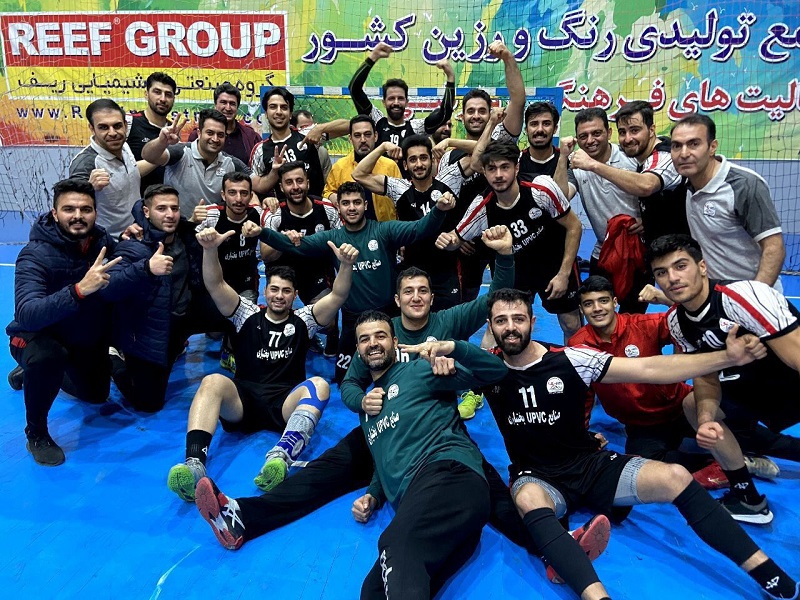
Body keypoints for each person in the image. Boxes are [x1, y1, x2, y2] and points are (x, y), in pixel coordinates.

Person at [480, 287, 798, 600]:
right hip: (537, 476)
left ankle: (764, 569)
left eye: (518, 318)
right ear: (490, 326)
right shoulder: (485, 368)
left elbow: (648, 368)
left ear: (533, 321)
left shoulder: (571, 358)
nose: (510, 327)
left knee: (675, 476)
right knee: (527, 500)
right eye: (501, 321)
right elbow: (451, 357)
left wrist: (726, 357)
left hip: (590, 465)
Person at [167, 227, 358, 501]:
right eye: (274, 289)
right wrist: (209, 250)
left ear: (295, 295)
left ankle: (281, 457)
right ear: (265, 291)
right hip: (243, 403)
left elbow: (337, 295)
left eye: (286, 291)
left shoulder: (304, 320)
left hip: (284, 404)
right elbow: (215, 284)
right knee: (211, 381)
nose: (279, 295)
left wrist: (346, 265)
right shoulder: (245, 314)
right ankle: (194, 464)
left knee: (320, 385)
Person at [341, 312, 509, 598]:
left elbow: (495, 371)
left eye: (380, 336)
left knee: (394, 544)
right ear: (358, 350)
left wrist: (453, 349)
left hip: (448, 477)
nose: (373, 343)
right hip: (427, 511)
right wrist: (373, 494)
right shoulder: (368, 408)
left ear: (395, 342)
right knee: (373, 591)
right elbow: (385, 456)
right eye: (364, 339)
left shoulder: (419, 371)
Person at [569, 275, 781, 490]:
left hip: (680, 405)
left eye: (603, 301)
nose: (597, 308)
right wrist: (583, 435)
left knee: (755, 436)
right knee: (643, 465)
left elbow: (688, 318)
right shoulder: (578, 345)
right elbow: (581, 393)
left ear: (615, 302)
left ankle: (764, 450)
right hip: (642, 424)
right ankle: (737, 464)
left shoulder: (644, 325)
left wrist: (664, 298)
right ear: (581, 308)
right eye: (589, 304)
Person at [649, 234, 800, 523]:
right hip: (749, 390)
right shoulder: (677, 322)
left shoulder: (741, 297)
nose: (672, 278)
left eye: (680, 266)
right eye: (661, 272)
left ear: (702, 267)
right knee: (694, 405)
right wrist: (706, 421)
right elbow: (705, 378)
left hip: (791, 385)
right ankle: (747, 498)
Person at [245, 180, 457, 382]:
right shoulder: (332, 238)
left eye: (357, 202)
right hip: (352, 319)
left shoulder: (383, 231)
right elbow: (294, 245)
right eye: (346, 203)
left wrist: (438, 210)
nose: (352, 208)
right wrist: (262, 233)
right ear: (339, 208)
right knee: (345, 379)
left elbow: (419, 228)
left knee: (399, 375)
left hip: (388, 315)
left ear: (365, 205)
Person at [7, 178, 119, 466]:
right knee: (47, 358)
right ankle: (37, 433)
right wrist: (79, 290)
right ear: (55, 214)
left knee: (96, 395)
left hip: (79, 335)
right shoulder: (34, 254)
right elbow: (27, 313)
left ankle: (36, 374)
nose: (78, 216)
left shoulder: (101, 242)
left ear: (95, 213)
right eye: (69, 209)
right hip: (34, 336)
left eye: (86, 209)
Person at [437, 135, 583, 342]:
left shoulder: (541, 188)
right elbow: (456, 238)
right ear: (484, 172)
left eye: (505, 167)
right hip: (515, 272)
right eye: (492, 169)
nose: (498, 175)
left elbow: (574, 226)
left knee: (571, 324)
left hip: (554, 264)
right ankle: (495, 362)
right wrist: (447, 240)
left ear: (516, 168)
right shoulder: (481, 207)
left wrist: (563, 274)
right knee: (502, 329)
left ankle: (576, 361)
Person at [101, 185, 229, 412]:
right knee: (148, 404)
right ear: (146, 212)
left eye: (174, 208)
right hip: (151, 330)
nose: (170, 214)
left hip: (185, 315)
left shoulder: (187, 234)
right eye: (161, 209)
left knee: (237, 314)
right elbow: (108, 289)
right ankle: (113, 358)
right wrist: (146, 268)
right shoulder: (134, 244)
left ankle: (239, 365)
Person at [434, 42, 525, 303]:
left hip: (506, 235)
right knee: (467, 300)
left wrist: (507, 57)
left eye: (482, 111)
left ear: (491, 114)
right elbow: (443, 199)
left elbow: (518, 100)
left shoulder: (503, 138)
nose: (476, 116)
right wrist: (457, 234)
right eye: (471, 111)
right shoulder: (449, 157)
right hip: (469, 243)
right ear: (461, 117)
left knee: (510, 300)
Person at [670, 114, 785, 290]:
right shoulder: (685, 181)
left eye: (694, 144)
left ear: (712, 147)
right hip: (715, 294)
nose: (684, 153)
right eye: (677, 146)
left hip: (752, 294)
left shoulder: (745, 185)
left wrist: (755, 296)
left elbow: (774, 247)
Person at [353, 134, 465, 310]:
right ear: (405, 165)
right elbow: (358, 174)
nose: (419, 164)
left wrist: (450, 142)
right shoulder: (399, 188)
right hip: (412, 274)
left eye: (423, 158)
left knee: (448, 323)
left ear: (432, 160)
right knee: (411, 323)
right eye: (413, 160)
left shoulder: (449, 179)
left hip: (445, 272)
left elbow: (483, 153)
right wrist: (383, 147)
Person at [556, 108, 646, 313]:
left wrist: (649, 220)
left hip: (637, 253)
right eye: (583, 136)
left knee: (632, 316)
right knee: (597, 311)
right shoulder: (576, 165)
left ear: (609, 132)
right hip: (603, 251)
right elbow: (561, 197)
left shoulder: (631, 158)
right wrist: (562, 157)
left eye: (596, 133)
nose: (590, 141)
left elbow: (652, 188)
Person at [260, 161, 341, 357]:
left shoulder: (327, 209)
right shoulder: (274, 213)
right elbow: (265, 255)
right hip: (283, 274)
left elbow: (341, 243)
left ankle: (332, 336)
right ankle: (300, 331)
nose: (295, 187)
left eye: (299, 181)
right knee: (280, 324)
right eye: (289, 182)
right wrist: (284, 241)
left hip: (316, 272)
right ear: (281, 187)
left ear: (308, 183)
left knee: (327, 321)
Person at [192, 172, 264, 372]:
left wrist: (272, 201)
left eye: (244, 193)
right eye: (232, 193)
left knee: (243, 320)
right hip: (215, 284)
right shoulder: (211, 215)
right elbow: (185, 239)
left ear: (251, 196)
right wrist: (192, 221)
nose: (238, 199)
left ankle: (229, 351)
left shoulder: (257, 215)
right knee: (215, 331)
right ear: (223, 195)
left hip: (246, 282)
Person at [141, 109, 252, 219]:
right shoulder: (181, 152)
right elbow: (148, 156)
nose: (215, 139)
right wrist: (161, 141)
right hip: (177, 225)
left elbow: (256, 183)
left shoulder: (230, 162)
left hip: (211, 227)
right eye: (210, 133)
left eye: (220, 135)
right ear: (199, 133)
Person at [69, 99, 154, 240]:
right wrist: (90, 187)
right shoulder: (86, 163)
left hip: (137, 233)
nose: (113, 133)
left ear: (125, 125)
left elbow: (130, 172)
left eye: (117, 126)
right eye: (103, 127)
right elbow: (72, 205)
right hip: (109, 242)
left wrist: (161, 154)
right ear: (92, 128)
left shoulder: (123, 145)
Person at [349, 42, 455, 149]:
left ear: (407, 102)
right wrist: (373, 57)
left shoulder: (416, 128)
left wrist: (450, 77)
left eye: (400, 98)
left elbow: (444, 114)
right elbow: (354, 89)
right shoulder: (377, 122)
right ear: (384, 102)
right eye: (391, 98)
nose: (396, 103)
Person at [251, 86, 348, 199]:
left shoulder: (306, 134)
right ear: (266, 114)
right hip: (283, 209)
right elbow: (256, 186)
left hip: (316, 206)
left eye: (284, 107)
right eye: (273, 107)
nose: (278, 112)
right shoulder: (261, 150)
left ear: (290, 114)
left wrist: (320, 128)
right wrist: (275, 172)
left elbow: (349, 126)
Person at [323, 115, 402, 221]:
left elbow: (402, 201)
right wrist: (332, 196)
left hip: (386, 228)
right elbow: (327, 192)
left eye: (367, 134)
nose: (363, 140)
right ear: (350, 139)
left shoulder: (390, 166)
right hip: (351, 229)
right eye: (357, 135)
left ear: (376, 136)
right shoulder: (339, 167)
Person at [127, 72, 177, 194]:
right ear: (146, 94)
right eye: (157, 92)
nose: (163, 99)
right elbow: (120, 172)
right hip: (133, 201)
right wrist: (159, 154)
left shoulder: (174, 131)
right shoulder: (129, 123)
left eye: (168, 95)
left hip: (163, 202)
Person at [188, 82, 261, 165]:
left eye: (232, 104)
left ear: (237, 107)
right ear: (215, 105)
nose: (228, 108)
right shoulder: (198, 135)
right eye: (223, 102)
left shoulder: (251, 136)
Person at [518, 101, 561, 179]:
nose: (540, 129)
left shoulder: (567, 161)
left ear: (555, 129)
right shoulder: (516, 162)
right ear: (526, 130)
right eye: (534, 124)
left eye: (546, 124)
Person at [292, 109, 333, 182]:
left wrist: (320, 128)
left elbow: (328, 183)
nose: (311, 132)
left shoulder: (322, 152)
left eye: (312, 128)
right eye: (304, 127)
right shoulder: (288, 150)